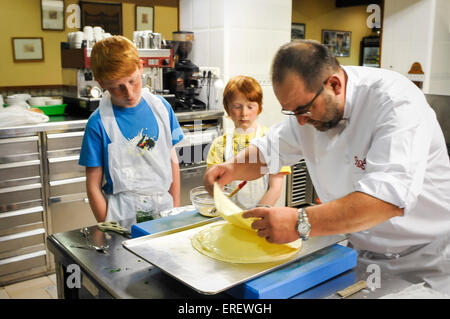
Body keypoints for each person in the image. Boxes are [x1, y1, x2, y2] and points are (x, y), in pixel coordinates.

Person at [203, 40, 450, 293]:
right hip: (356, 248)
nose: (299, 120)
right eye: (290, 111)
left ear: (334, 84)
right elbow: (270, 149)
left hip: (423, 258)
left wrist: (300, 222)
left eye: (304, 109)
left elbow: (386, 199)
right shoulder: (306, 109)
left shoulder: (396, 103)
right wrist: (231, 167)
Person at [79, 35, 184, 223]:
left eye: (133, 81)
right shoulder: (99, 123)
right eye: (118, 87)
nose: (129, 93)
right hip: (122, 215)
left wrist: (175, 208)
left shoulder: (162, 108)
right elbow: (93, 185)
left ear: (141, 67)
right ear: (102, 83)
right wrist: (108, 223)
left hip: (164, 211)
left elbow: (172, 158)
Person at [206, 75, 291, 209]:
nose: (244, 113)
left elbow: (275, 188)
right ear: (227, 108)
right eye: (237, 107)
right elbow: (216, 187)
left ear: (259, 108)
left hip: (263, 214)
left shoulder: (271, 139)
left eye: (250, 107)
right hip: (230, 215)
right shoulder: (219, 144)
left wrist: (255, 215)